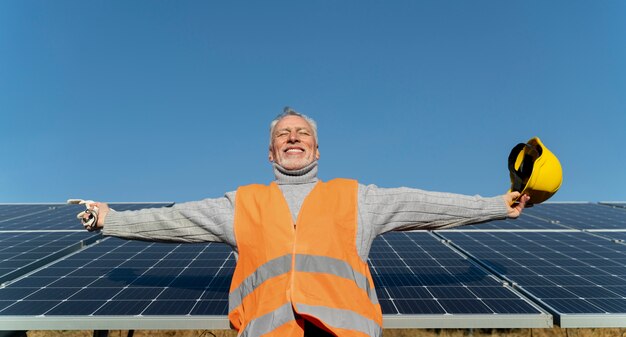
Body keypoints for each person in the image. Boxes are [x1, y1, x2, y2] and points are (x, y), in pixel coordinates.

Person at [79, 107, 530, 337]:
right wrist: (111, 220)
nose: (293, 137)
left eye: (303, 133)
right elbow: (174, 220)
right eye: (283, 134)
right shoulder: (243, 203)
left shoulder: (357, 197)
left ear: (316, 151)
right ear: (271, 153)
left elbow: (426, 205)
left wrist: (494, 205)